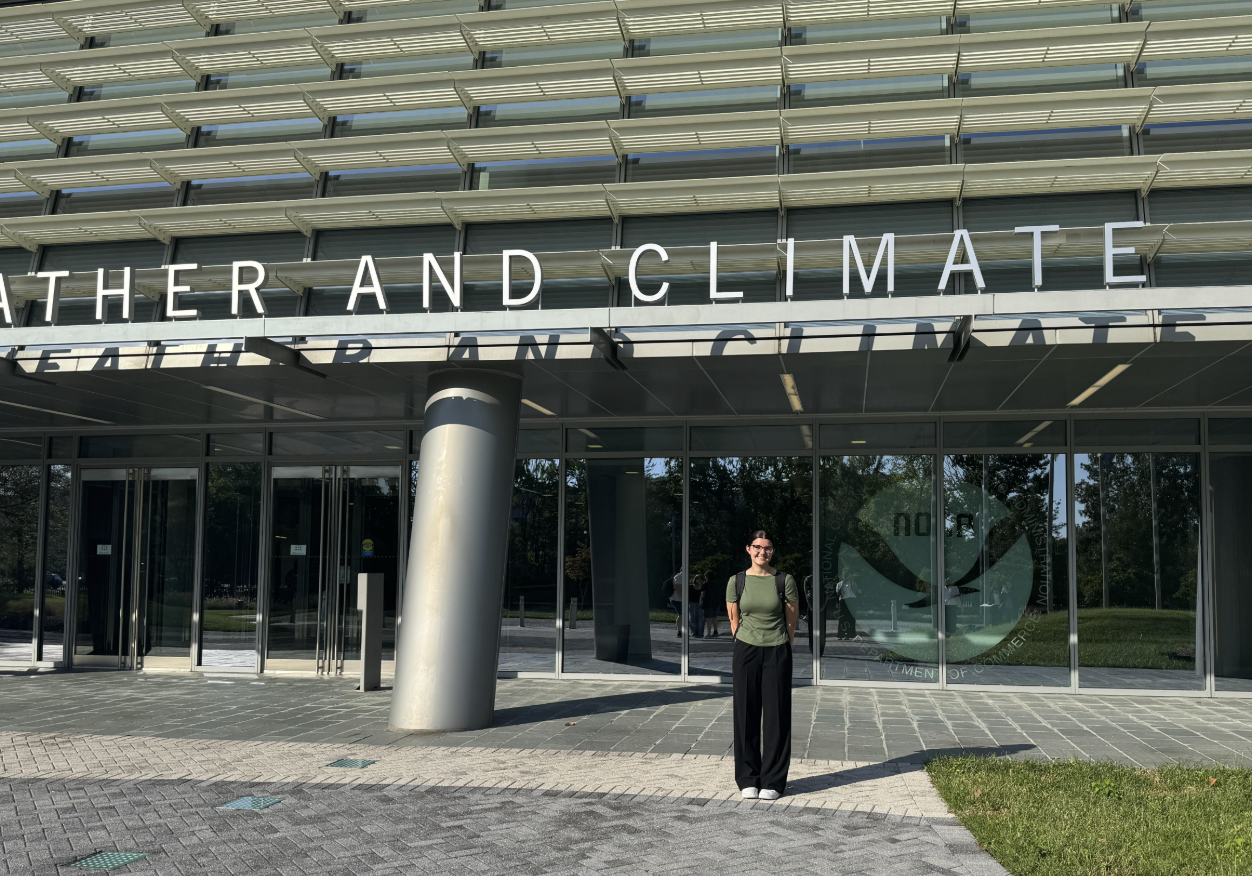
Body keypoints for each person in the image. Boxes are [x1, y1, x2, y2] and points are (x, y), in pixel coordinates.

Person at [727, 530, 799, 802]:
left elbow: (791, 621)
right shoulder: (736, 581)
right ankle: (748, 779)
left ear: (772, 552)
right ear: (748, 549)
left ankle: (773, 780)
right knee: (745, 713)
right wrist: (743, 641)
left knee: (777, 716)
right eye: (757, 547)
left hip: (777, 649)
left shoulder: (784, 580)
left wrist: (783, 645)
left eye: (767, 548)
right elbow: (734, 619)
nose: (762, 552)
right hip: (746, 650)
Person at [702, 571, 721, 638]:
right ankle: (715, 631)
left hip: (708, 603)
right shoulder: (716, 583)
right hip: (716, 603)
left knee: (708, 619)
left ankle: (709, 633)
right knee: (714, 618)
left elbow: (702, 590)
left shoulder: (706, 584)